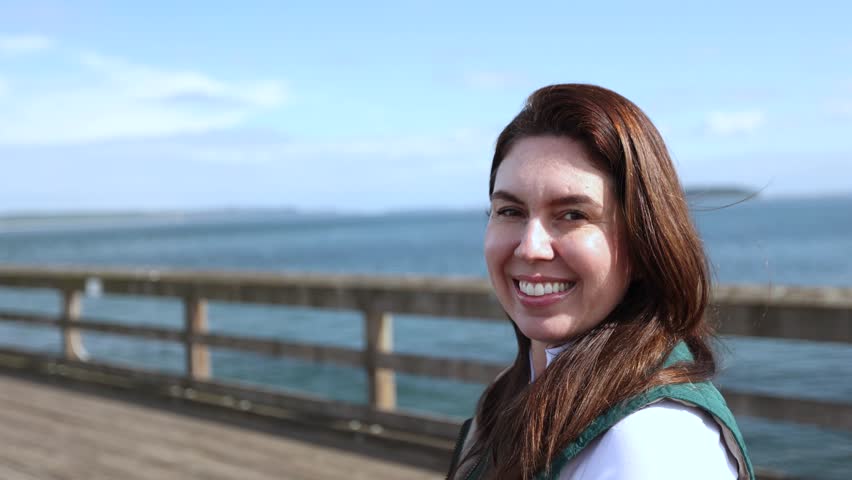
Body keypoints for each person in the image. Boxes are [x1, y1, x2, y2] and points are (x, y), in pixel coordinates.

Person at [446, 84, 754, 480]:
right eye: (509, 210)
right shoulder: (513, 389)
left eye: (573, 214)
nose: (530, 247)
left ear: (645, 243)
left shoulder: (651, 442)